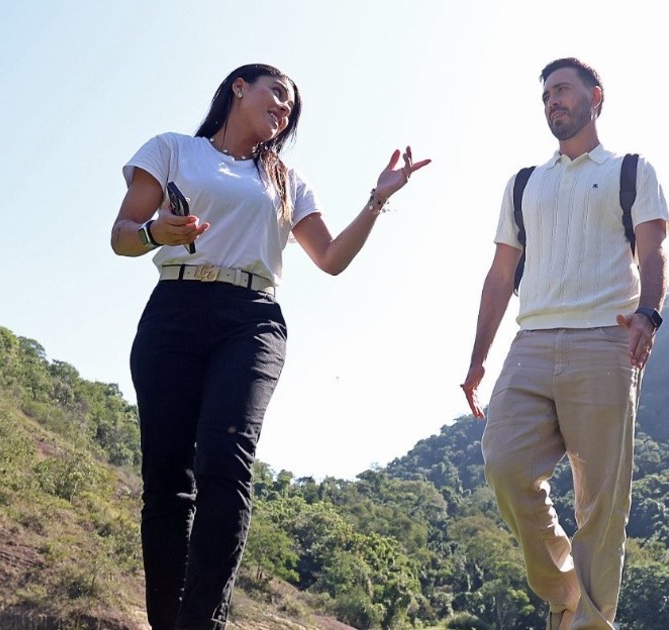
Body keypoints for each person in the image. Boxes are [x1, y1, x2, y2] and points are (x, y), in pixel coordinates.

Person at [110, 63, 429, 630]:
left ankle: (202, 622)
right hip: (174, 311)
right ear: (239, 87)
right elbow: (122, 237)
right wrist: (160, 232)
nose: (283, 109)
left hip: (250, 319)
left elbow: (330, 258)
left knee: (225, 462)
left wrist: (377, 200)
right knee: (166, 480)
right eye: (277, 94)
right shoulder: (172, 149)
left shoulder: (285, 181)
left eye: (291, 108)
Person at [460, 57, 669, 630]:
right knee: (505, 465)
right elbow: (500, 274)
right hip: (530, 340)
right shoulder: (525, 182)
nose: (553, 100)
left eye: (562, 89)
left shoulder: (631, 170)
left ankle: (590, 624)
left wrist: (650, 312)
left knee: (600, 502)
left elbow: (653, 249)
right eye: (546, 94)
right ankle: (564, 590)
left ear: (594, 97)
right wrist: (478, 359)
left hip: (606, 339)